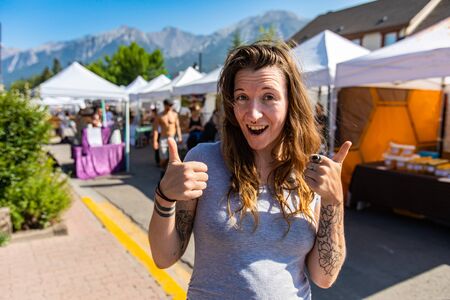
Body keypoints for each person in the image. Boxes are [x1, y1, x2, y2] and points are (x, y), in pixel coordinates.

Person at [149, 41, 351, 299]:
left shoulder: (310, 171)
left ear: (291, 102)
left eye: (268, 97)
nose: (253, 114)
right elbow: (164, 257)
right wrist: (164, 196)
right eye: (242, 97)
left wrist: (335, 201)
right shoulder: (204, 161)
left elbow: (324, 277)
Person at [152, 99, 182, 170]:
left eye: (171, 105)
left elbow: (177, 126)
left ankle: (170, 171)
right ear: (165, 105)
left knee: (174, 157)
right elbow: (155, 129)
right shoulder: (160, 116)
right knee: (163, 158)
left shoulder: (175, 114)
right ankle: (163, 171)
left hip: (173, 137)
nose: (170, 107)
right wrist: (155, 141)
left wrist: (180, 137)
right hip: (163, 138)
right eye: (169, 105)